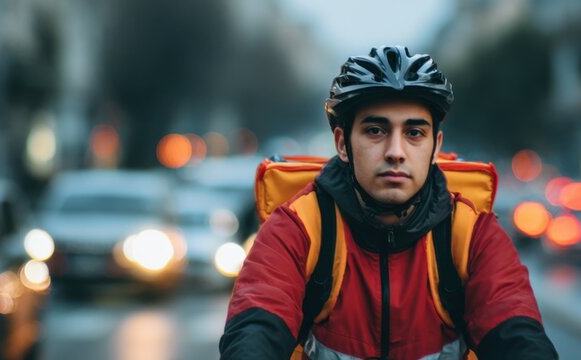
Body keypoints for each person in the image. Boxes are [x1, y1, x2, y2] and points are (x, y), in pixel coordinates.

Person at [220, 46, 557, 359]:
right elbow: (255, 327)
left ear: (435, 146)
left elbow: (517, 330)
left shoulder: (470, 234)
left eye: (414, 133)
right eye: (376, 131)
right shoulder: (299, 226)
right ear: (342, 143)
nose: (396, 152)